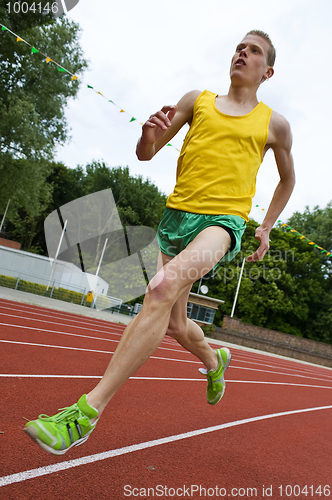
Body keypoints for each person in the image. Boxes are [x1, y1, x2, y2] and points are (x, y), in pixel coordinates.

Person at [24, 30, 295, 455]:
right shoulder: (197, 100)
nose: (242, 53)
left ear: (268, 70)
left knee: (161, 288)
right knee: (171, 321)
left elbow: (287, 180)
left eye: (254, 50)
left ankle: (85, 413)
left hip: (222, 223)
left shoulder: (273, 124)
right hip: (176, 218)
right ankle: (213, 361)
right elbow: (146, 154)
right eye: (239, 47)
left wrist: (266, 226)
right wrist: (148, 137)